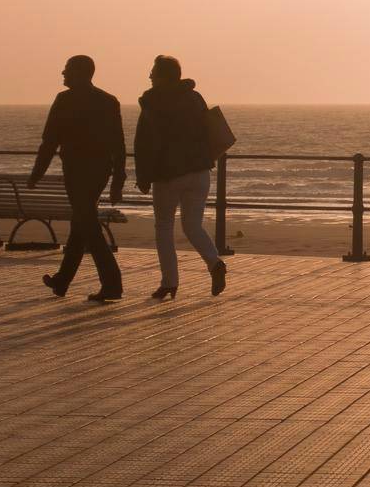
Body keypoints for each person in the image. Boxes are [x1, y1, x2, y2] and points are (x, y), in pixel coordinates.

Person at [31, 55, 126, 302]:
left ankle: (112, 283)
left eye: (67, 70)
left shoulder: (64, 100)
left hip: (76, 171)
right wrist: (117, 179)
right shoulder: (108, 101)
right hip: (100, 172)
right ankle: (62, 281)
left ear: (81, 73)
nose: (63, 73)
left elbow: (49, 141)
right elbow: (119, 145)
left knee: (89, 225)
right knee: (81, 222)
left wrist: (37, 173)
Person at [134, 55, 226, 300]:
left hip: (169, 174)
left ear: (162, 76)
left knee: (164, 227)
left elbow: (144, 142)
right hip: (199, 171)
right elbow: (208, 129)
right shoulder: (194, 98)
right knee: (192, 225)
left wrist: (143, 175)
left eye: (153, 72)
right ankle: (214, 263)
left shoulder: (153, 102)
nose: (150, 76)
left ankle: (169, 282)